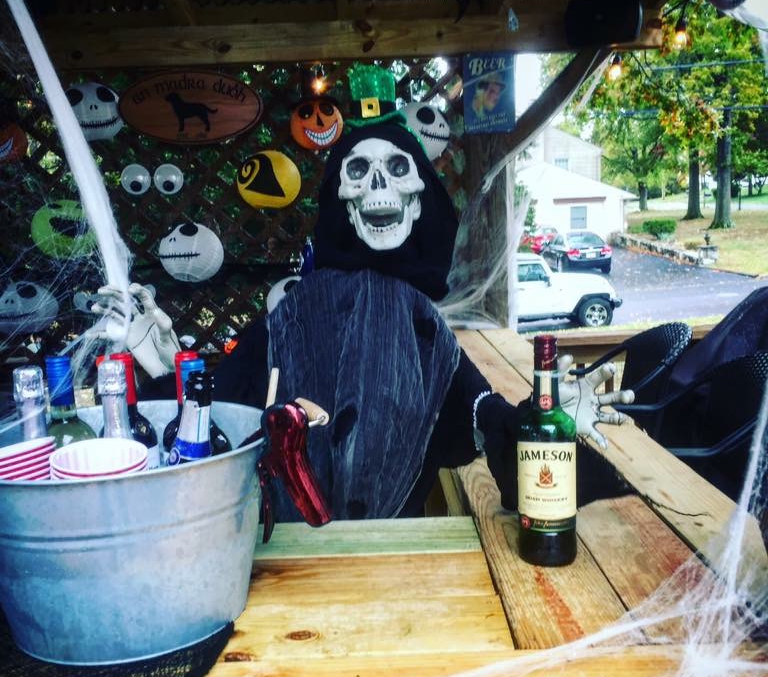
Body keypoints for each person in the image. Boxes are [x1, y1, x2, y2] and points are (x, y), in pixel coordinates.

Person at [94, 64, 634, 521]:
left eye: (397, 171)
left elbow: (480, 415)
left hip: (389, 560)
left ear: (419, 201)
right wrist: (162, 369)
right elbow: (217, 410)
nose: (378, 187)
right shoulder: (297, 314)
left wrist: (543, 424)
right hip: (289, 558)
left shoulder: (422, 325)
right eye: (359, 172)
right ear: (341, 201)